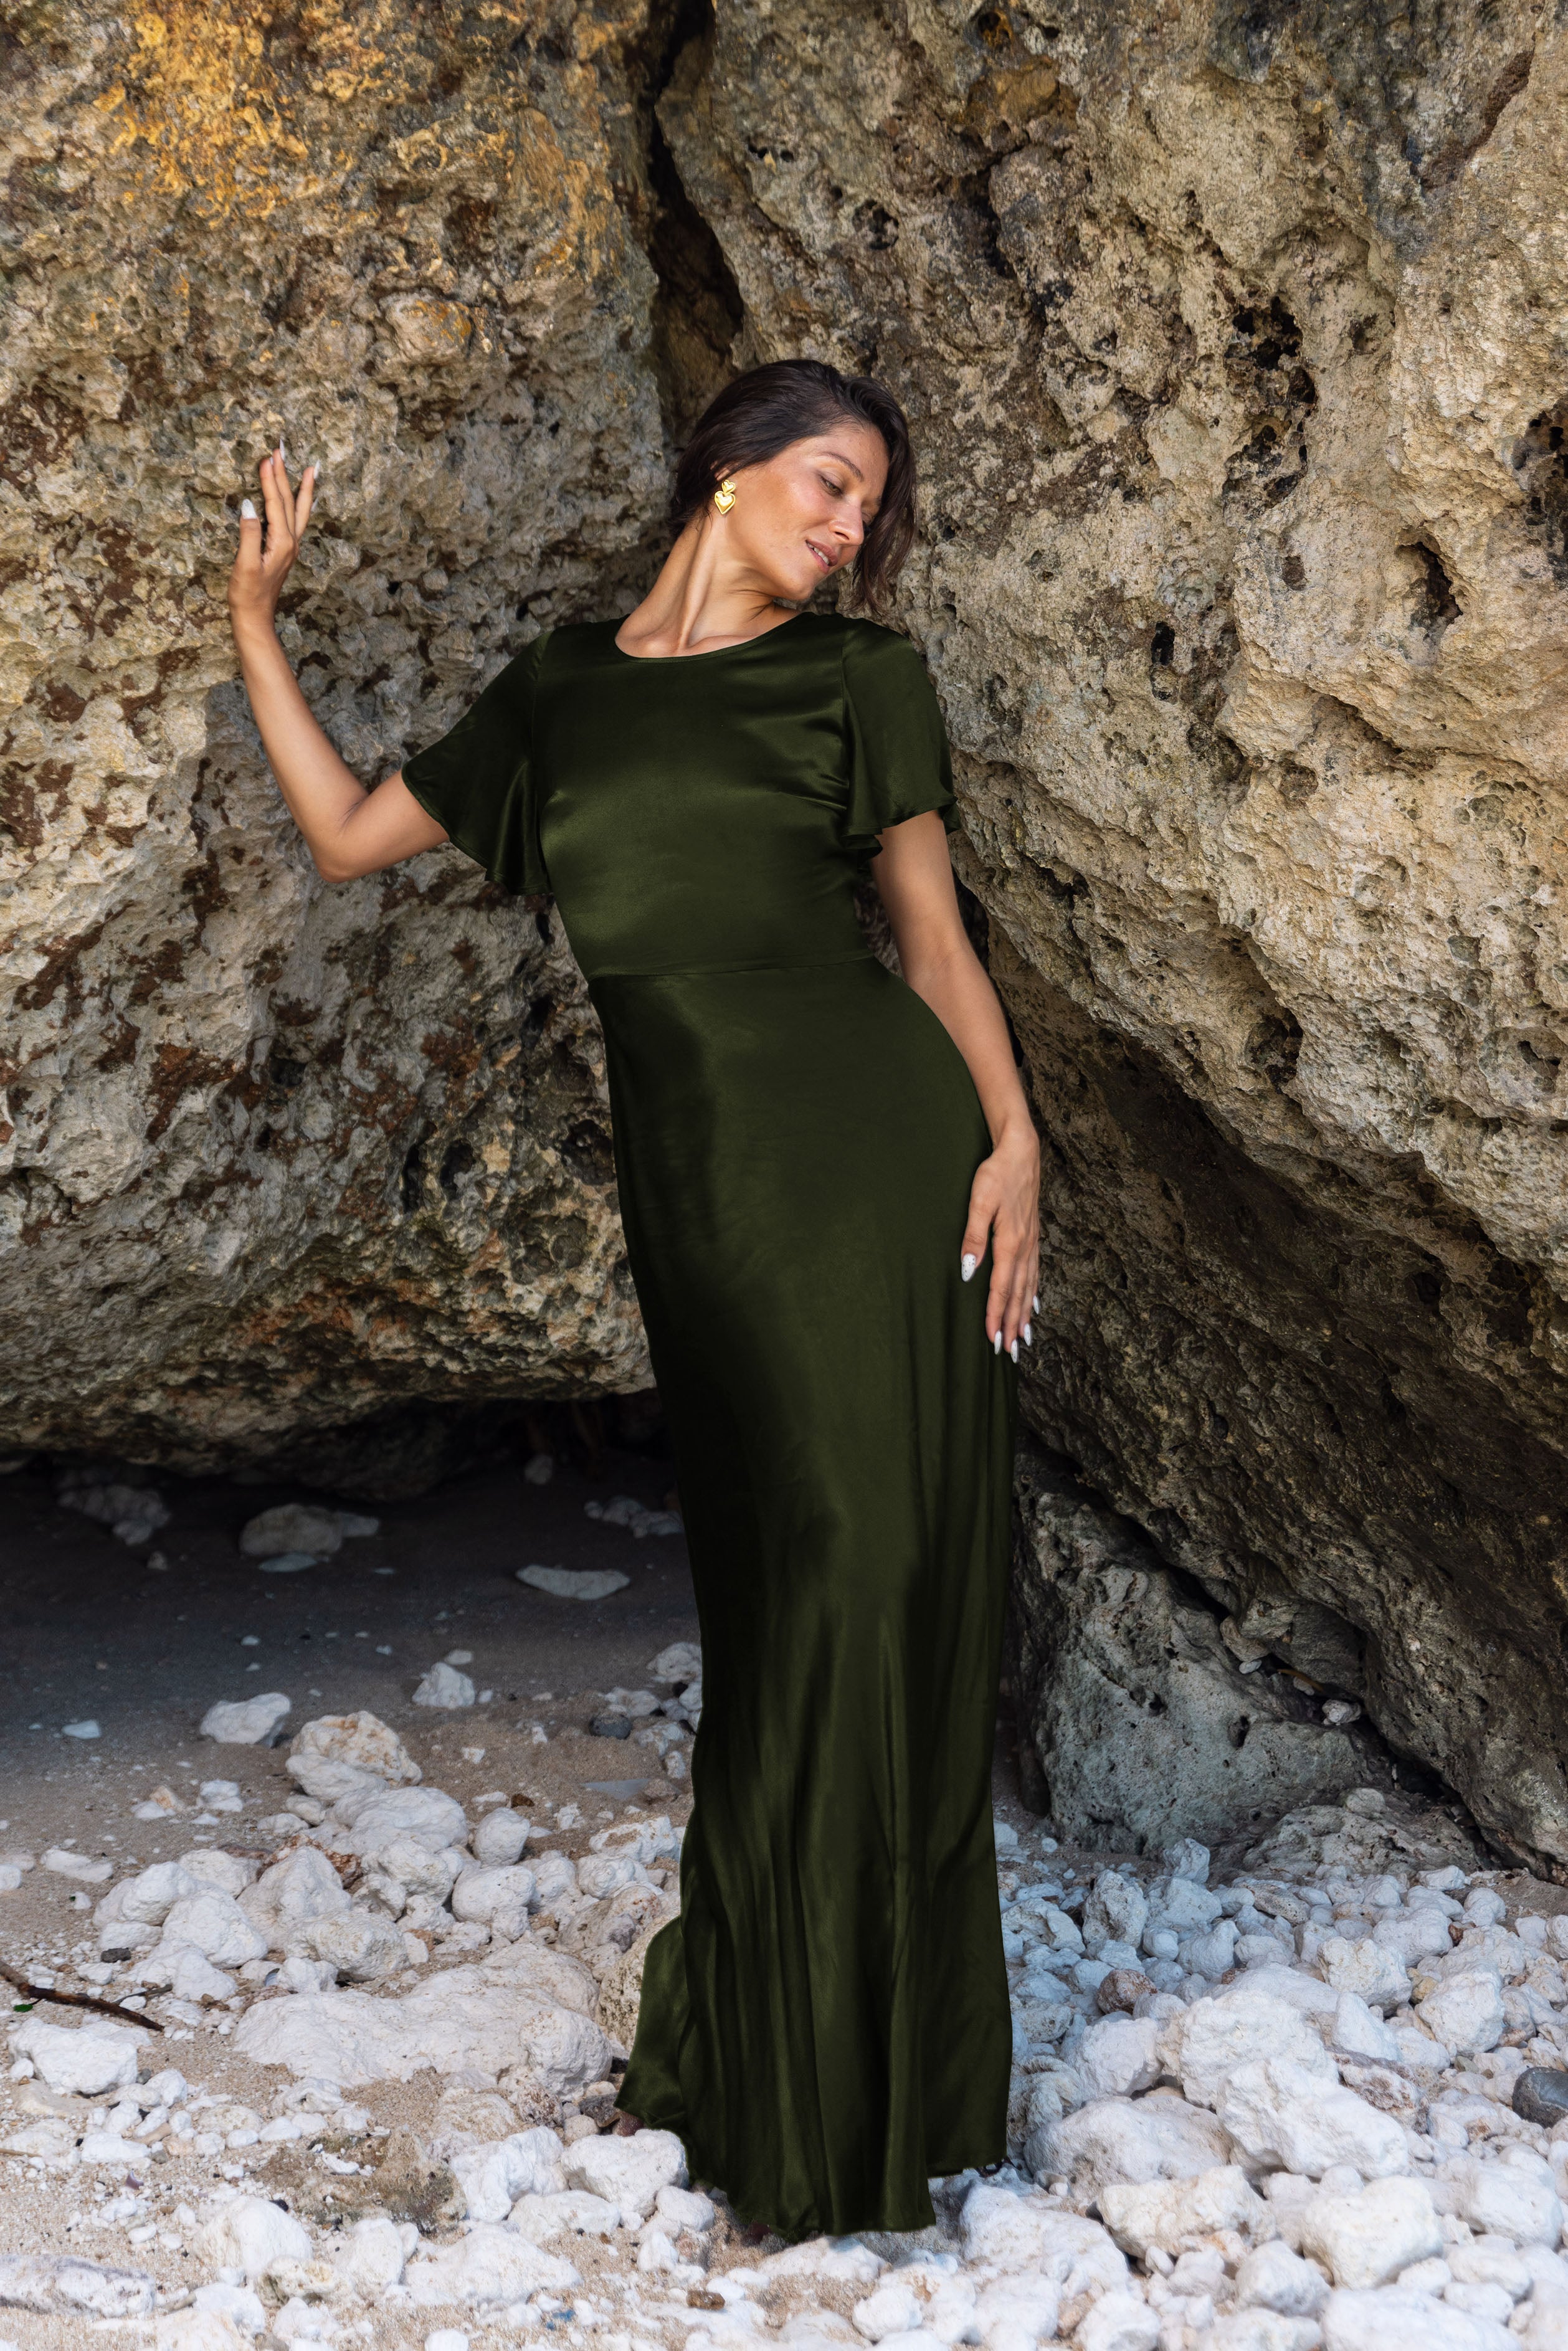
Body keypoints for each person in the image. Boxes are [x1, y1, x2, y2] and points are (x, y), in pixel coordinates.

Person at [227, 358, 1040, 2242]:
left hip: (880, 1155)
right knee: (773, 1587)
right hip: (706, 1195)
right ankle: (776, 2049)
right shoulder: (559, 694)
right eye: (829, 483)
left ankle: (858, 2092)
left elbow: (931, 944)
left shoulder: (860, 683)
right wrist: (256, 619)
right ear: (729, 471)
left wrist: (1015, 1143)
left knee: (866, 1565)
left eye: (869, 507)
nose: (850, 528)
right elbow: (344, 835)